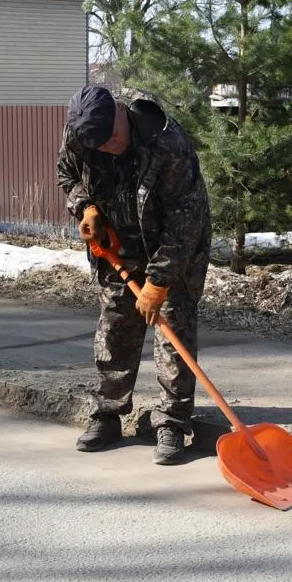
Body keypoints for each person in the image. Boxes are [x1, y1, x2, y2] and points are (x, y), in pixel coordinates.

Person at [56, 85, 211, 465]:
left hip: (173, 246)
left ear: (121, 113)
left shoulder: (166, 142)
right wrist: (86, 206)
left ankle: (172, 421)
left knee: (173, 330)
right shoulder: (81, 134)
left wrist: (159, 280)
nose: (107, 146)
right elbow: (66, 174)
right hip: (117, 244)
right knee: (115, 327)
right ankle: (107, 414)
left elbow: (184, 221)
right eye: (98, 144)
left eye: (112, 138)